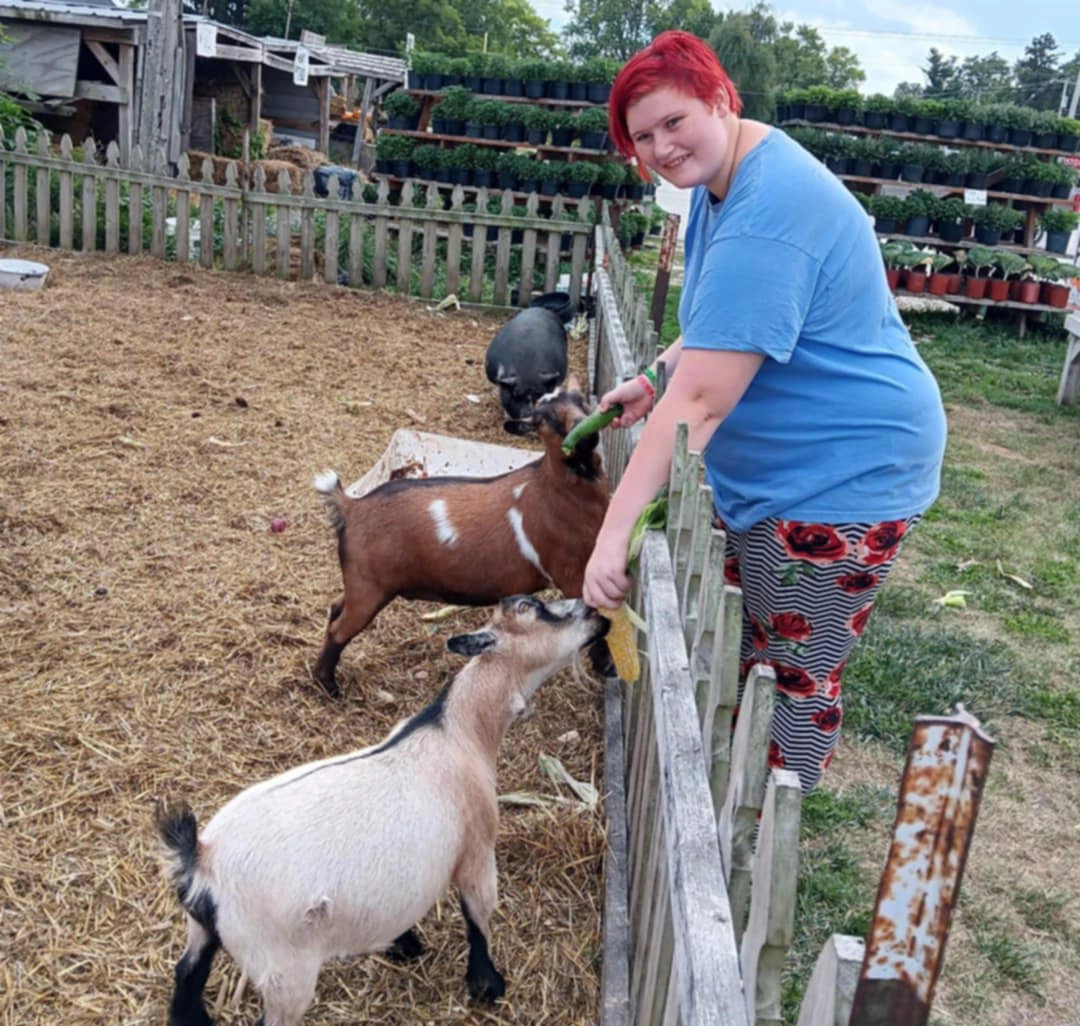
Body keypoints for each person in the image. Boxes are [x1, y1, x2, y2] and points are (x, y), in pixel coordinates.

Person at [581, 31, 947, 794]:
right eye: (643, 137)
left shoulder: (770, 205)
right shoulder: (728, 177)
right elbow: (725, 322)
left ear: (719, 96)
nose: (661, 148)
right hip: (792, 469)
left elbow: (705, 400)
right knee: (756, 643)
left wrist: (611, 536)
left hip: (842, 473)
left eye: (673, 122)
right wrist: (655, 375)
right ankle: (739, 792)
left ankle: (763, 833)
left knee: (794, 672)